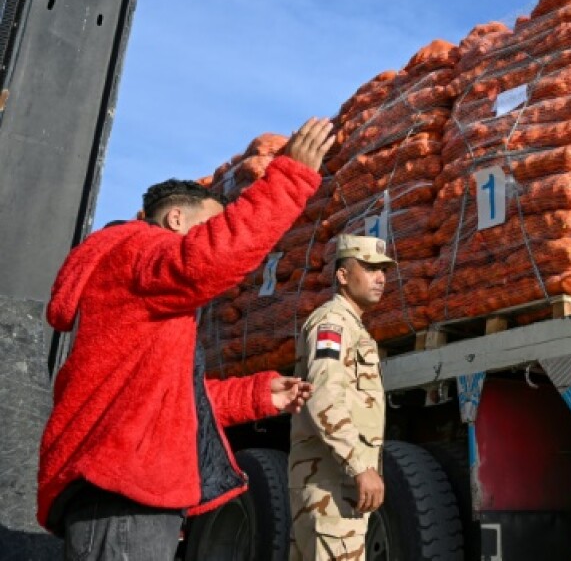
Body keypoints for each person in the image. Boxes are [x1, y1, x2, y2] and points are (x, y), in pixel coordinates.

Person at [38, 118, 335, 559]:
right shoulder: (135, 251)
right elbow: (209, 259)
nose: (214, 232)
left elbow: (168, 397)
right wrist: (290, 178)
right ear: (177, 219)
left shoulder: (148, 296)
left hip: (127, 488)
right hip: (121, 490)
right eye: (209, 224)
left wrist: (258, 395)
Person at [289, 234, 394, 561]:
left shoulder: (351, 325)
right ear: (343, 276)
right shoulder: (332, 323)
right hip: (330, 481)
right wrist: (359, 466)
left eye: (383, 270)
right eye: (369, 267)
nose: (380, 278)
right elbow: (324, 395)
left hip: (336, 481)